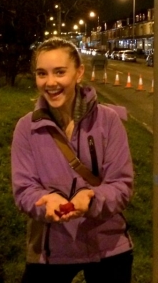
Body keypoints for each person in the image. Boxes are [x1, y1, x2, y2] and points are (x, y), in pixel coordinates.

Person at [11, 37, 134, 283]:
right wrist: (43, 201)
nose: (50, 82)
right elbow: (24, 188)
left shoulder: (108, 121)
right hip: (51, 247)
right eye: (42, 73)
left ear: (79, 73)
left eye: (59, 72)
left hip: (108, 245)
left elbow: (122, 184)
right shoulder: (26, 128)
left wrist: (92, 200)